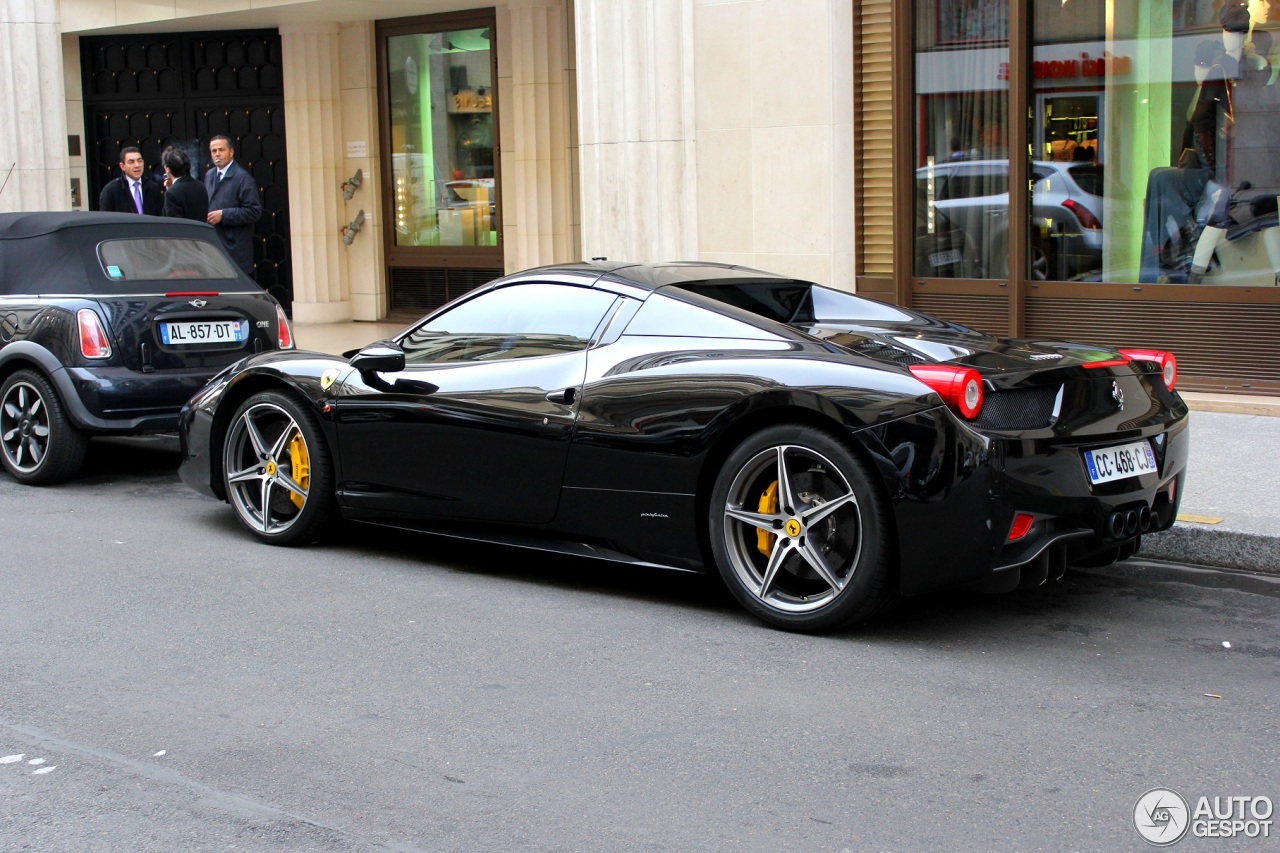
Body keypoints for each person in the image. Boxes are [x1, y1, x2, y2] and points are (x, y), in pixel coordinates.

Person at [204, 135, 262, 278]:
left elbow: (254, 211)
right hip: (214, 247)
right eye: (213, 151)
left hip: (235, 249)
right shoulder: (209, 175)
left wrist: (223, 215)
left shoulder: (243, 178)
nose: (217, 154)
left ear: (231, 151)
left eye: (221, 150)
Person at [99, 146, 161, 215]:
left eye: (139, 161)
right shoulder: (111, 190)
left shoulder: (153, 188)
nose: (137, 165)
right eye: (131, 162)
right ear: (122, 166)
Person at [160, 146, 208, 223]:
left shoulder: (171, 193)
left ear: (167, 169)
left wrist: (171, 190)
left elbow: (172, 224)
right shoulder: (201, 186)